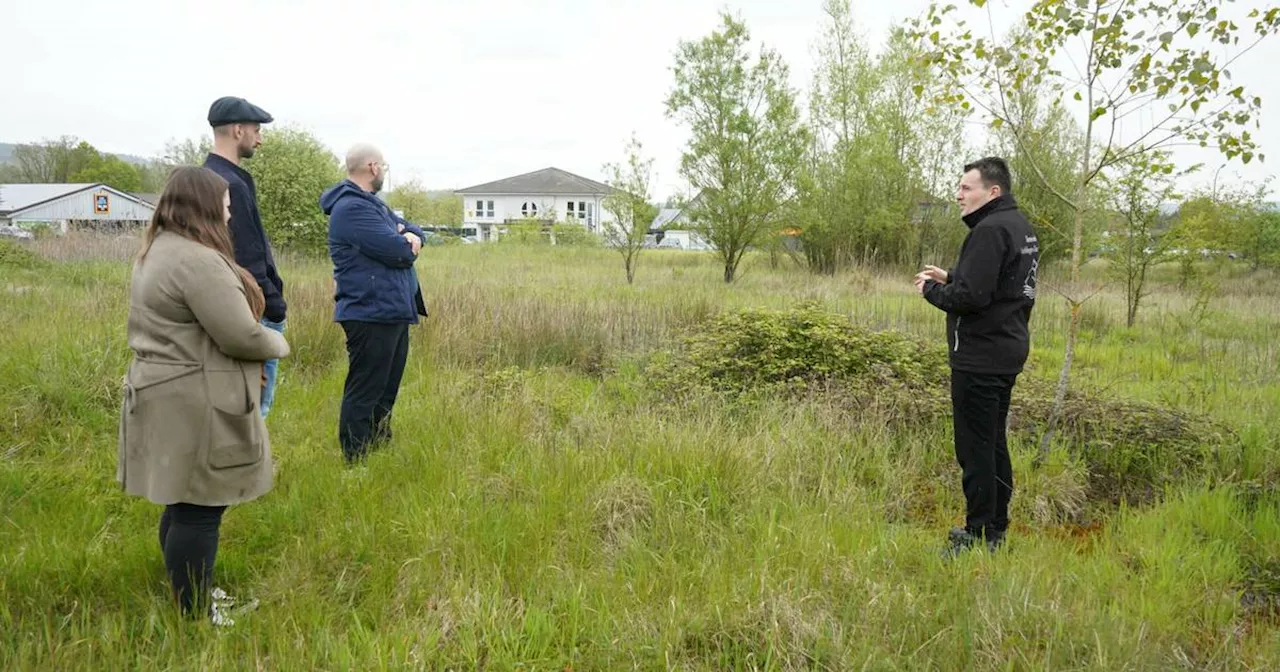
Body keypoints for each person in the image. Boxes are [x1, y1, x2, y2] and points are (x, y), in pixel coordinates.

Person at [118, 166, 290, 624]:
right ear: (205, 205)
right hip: (194, 399)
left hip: (164, 391)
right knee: (200, 508)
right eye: (227, 204)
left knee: (182, 500)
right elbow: (241, 336)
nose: (231, 213)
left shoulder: (159, 250)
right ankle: (196, 614)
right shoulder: (197, 260)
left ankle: (188, 597)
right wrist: (278, 342)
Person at [915, 156, 1039, 556]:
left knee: (975, 448)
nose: (958, 195)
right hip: (1007, 348)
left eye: (966, 188)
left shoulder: (988, 231)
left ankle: (979, 534)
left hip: (980, 356)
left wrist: (931, 291)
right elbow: (1001, 285)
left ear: (993, 191)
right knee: (993, 442)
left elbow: (971, 298)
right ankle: (996, 527)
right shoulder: (1020, 227)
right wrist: (951, 276)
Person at [320, 144, 428, 465]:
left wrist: (410, 234)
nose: (384, 170)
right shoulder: (352, 208)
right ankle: (356, 461)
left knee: (386, 390)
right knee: (365, 390)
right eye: (384, 165)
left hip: (392, 310)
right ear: (373, 167)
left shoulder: (373, 205)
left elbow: (415, 232)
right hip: (370, 312)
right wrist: (404, 239)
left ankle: (379, 451)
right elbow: (399, 252)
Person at [203, 95, 287, 418]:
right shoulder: (231, 184)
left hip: (232, 305)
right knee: (254, 408)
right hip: (253, 309)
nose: (260, 139)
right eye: (256, 130)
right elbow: (248, 256)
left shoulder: (208, 177)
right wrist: (274, 306)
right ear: (238, 130)